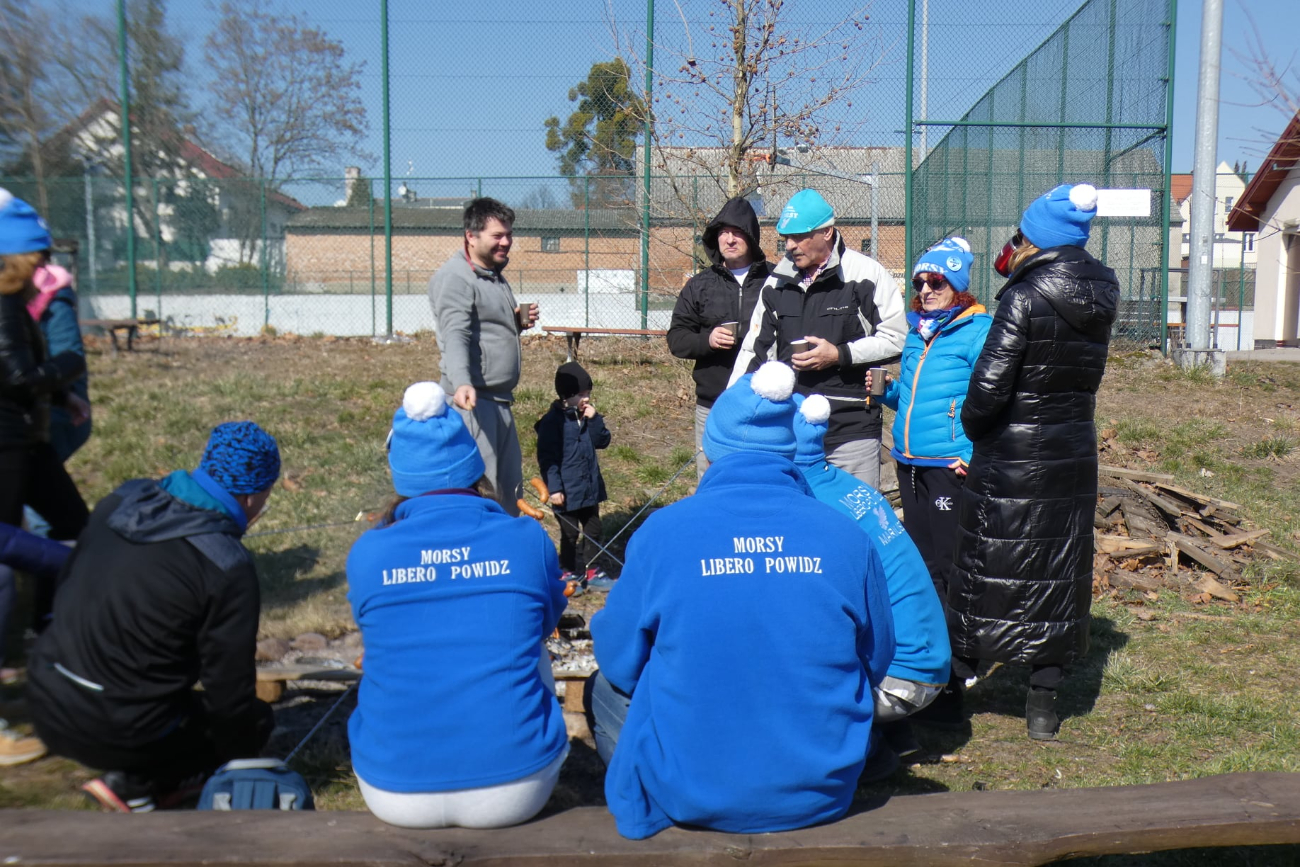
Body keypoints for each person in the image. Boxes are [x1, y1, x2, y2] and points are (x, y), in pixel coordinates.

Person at [588, 362, 895, 840]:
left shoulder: (664, 532)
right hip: (819, 791)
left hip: (691, 792)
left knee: (603, 687)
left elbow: (618, 659)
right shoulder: (844, 535)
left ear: (711, 452)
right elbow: (875, 657)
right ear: (789, 449)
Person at [346, 382, 569, 829]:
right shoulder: (527, 540)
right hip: (517, 787)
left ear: (401, 474)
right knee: (530, 642)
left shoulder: (368, 552)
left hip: (394, 789)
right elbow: (547, 621)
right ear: (473, 468)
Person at [27, 421, 280, 812]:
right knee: (256, 721)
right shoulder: (226, 564)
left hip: (45, 694)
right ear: (252, 496)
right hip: (115, 728)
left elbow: (69, 582)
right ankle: (139, 785)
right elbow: (227, 687)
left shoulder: (124, 498)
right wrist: (244, 759)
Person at [950, 183, 1119, 740]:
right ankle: (1044, 703)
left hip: (1012, 451)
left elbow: (990, 384)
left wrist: (974, 426)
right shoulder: (1103, 289)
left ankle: (959, 681)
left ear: (1036, 238)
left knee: (987, 561)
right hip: (1072, 447)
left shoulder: (1024, 297)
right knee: (1057, 566)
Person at [791, 393, 951, 761]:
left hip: (899, 677)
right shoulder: (842, 485)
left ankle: (864, 752)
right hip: (924, 659)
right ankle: (893, 735)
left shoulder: (808, 509)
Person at [872, 237, 991, 728]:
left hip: (948, 466)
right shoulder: (919, 332)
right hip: (910, 462)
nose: (925, 289)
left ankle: (962, 663)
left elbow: (994, 399)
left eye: (936, 281)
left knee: (951, 565)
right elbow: (916, 402)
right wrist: (888, 393)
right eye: (919, 282)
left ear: (957, 284)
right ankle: (931, 659)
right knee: (922, 566)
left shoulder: (977, 330)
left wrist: (972, 454)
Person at [731, 188, 906, 489]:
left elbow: (896, 337)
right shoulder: (777, 283)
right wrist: (731, 407)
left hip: (852, 429)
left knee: (856, 521)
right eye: (786, 237)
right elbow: (755, 350)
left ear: (826, 232)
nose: (790, 246)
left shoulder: (865, 274)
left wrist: (840, 355)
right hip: (792, 429)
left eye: (798, 236)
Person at [0, 189, 90, 640]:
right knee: (5, 548)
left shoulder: (15, 305)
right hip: (8, 442)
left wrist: (61, 398)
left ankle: (51, 625)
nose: (44, 267)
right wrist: (71, 364)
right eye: (37, 257)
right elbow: (17, 377)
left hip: (26, 438)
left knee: (74, 523)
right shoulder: (4, 307)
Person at [428, 197, 537, 517]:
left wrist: (516, 322)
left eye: (508, 235)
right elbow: (456, 335)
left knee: (509, 490)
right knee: (482, 491)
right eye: (497, 236)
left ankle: (503, 552)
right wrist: (462, 382)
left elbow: (484, 330)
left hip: (499, 400)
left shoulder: (491, 272)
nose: (506, 242)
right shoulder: (456, 278)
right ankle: (479, 557)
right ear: (471, 236)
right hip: (473, 404)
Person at [667, 196, 773, 478]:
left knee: (760, 478)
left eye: (736, 232)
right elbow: (676, 339)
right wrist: (707, 340)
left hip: (763, 403)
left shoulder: (777, 281)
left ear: (751, 236)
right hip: (713, 403)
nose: (729, 239)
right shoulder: (699, 285)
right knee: (712, 478)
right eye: (723, 233)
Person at [534, 361, 614, 592]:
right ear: (566, 395)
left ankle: (593, 569)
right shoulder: (553, 423)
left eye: (588, 393)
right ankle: (568, 571)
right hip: (566, 492)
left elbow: (603, 441)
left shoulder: (587, 418)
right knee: (569, 534)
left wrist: (596, 420)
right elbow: (547, 459)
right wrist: (555, 488)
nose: (586, 398)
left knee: (594, 529)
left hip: (589, 488)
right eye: (581, 394)